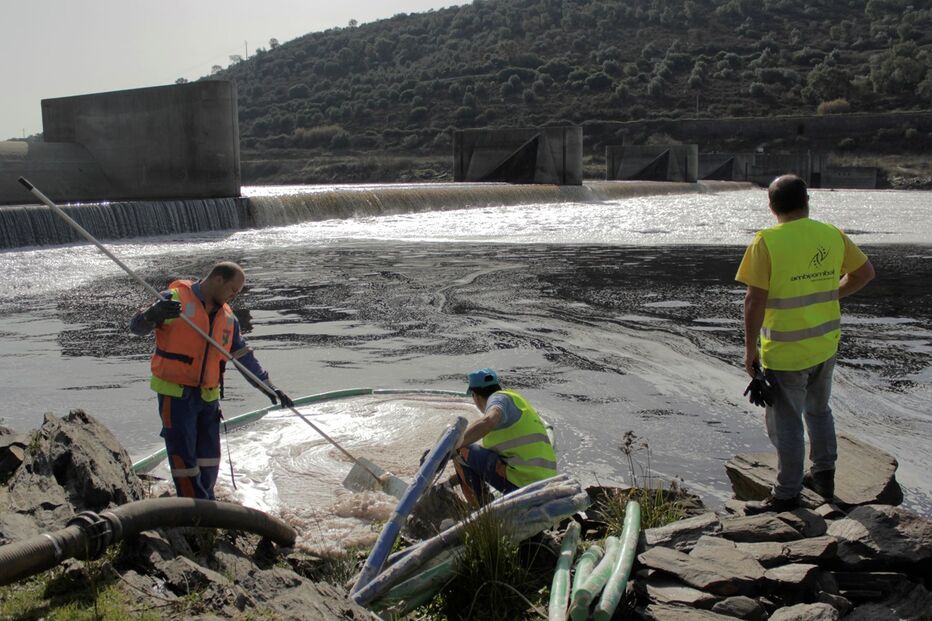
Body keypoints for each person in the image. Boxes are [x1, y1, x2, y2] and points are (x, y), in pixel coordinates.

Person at [736, 175, 875, 513]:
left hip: (786, 353)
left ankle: (786, 495)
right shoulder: (831, 234)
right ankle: (824, 477)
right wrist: (830, 294)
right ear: (807, 201)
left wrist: (750, 349)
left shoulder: (766, 242)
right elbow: (864, 273)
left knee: (786, 425)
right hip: (824, 345)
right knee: (819, 410)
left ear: (771, 206)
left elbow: (754, 301)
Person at [130, 261, 293, 500]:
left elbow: (242, 356)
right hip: (176, 395)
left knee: (209, 458)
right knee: (183, 457)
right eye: (233, 290)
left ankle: (205, 502)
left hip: (208, 397)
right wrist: (152, 314)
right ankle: (192, 512)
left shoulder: (229, 318)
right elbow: (136, 328)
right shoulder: (172, 300)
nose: (234, 297)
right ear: (218, 280)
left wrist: (269, 387)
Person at [454, 368, 557, 505]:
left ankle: (482, 512)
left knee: (462, 451)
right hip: (549, 483)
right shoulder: (515, 399)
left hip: (525, 488)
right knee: (472, 454)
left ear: (475, 396)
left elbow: (489, 420)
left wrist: (453, 445)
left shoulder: (498, 399)